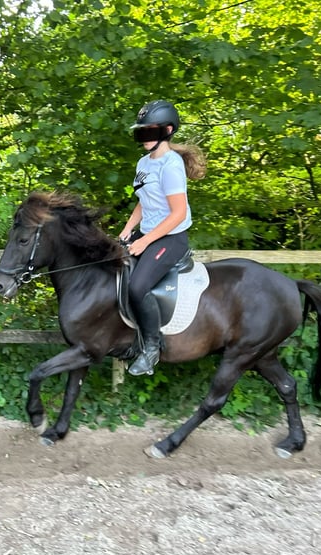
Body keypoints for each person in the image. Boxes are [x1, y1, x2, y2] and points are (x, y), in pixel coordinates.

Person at [118, 100, 207, 376]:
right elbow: (144, 200)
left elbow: (178, 213)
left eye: (149, 132)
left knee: (137, 287)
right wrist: (128, 228)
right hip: (148, 231)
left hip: (171, 237)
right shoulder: (143, 162)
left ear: (167, 131)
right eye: (141, 132)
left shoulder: (170, 165)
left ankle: (151, 349)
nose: (144, 138)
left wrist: (144, 241)